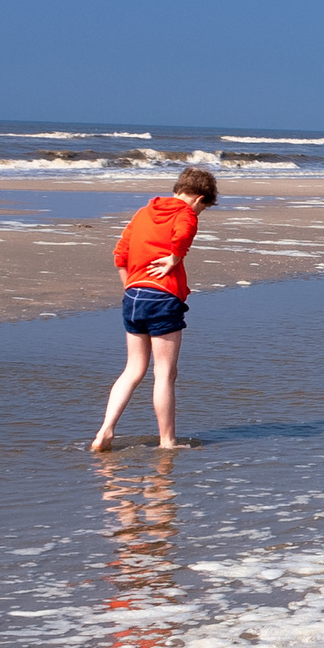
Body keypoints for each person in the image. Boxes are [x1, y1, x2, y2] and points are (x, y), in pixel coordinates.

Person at [91, 167, 218, 452]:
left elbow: (120, 253)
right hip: (162, 298)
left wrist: (130, 286)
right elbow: (184, 231)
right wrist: (175, 257)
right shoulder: (185, 213)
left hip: (133, 296)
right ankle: (167, 441)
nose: (198, 215)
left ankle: (105, 431)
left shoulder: (143, 213)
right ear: (198, 199)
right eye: (202, 210)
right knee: (165, 373)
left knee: (133, 369)